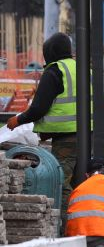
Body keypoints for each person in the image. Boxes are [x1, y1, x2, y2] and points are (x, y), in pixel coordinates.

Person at [6, 33, 78, 214]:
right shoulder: (80, 68)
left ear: (50, 52)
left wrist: (17, 120)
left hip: (68, 137)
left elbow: (39, 108)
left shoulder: (55, 71)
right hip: (86, 133)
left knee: (60, 181)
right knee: (75, 180)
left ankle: (69, 225)